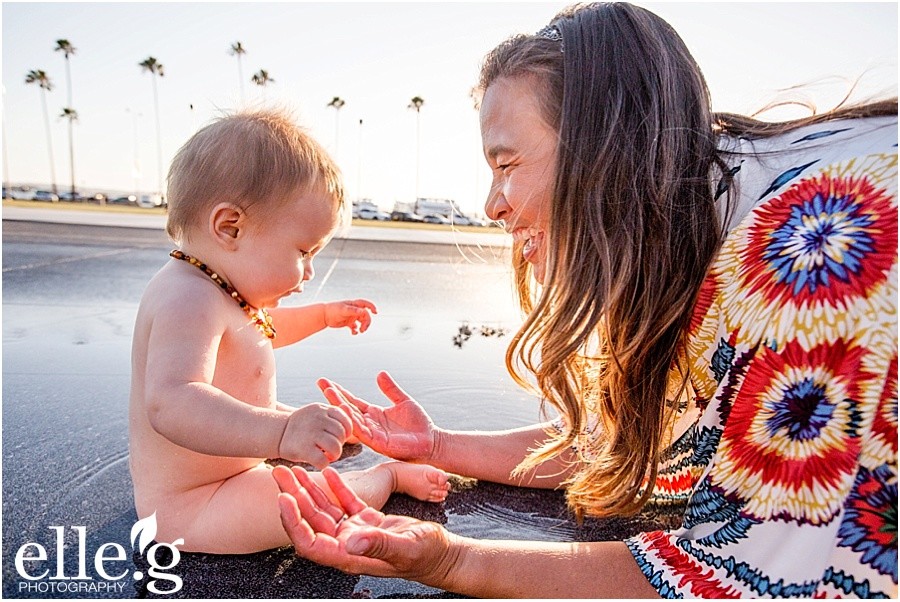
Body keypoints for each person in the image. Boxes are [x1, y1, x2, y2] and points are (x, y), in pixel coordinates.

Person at [272, 2, 898, 597]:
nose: (493, 205)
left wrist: (451, 556)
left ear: (605, 148)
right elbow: (616, 443)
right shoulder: (705, 226)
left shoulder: (822, 243)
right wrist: (437, 447)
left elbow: (753, 577)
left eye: (507, 163)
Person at [129, 109, 449, 555]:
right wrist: (282, 433)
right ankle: (386, 478)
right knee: (316, 504)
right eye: (304, 251)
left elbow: (261, 333)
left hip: (229, 473)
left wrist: (322, 314)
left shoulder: (219, 291)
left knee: (299, 463)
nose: (309, 271)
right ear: (230, 227)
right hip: (194, 506)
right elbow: (173, 401)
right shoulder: (187, 298)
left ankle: (322, 436)